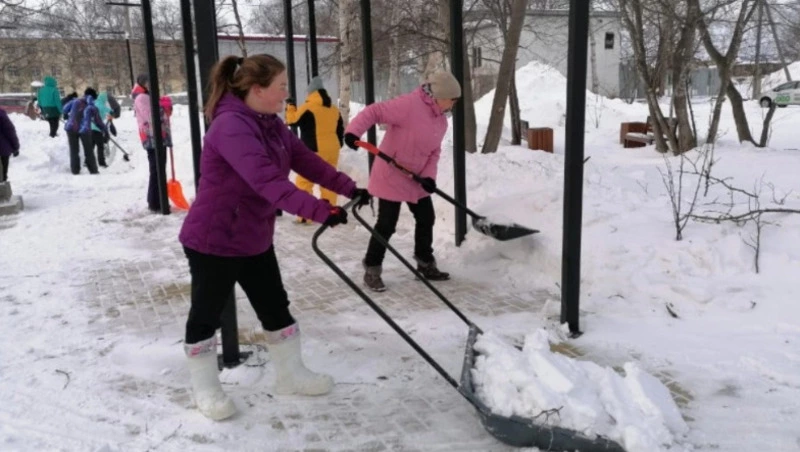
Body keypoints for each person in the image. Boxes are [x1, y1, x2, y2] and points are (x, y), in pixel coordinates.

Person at [177, 54, 370, 421]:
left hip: (252, 235)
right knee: (206, 313)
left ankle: (290, 376)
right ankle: (206, 390)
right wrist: (319, 210)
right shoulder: (230, 126)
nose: (287, 91)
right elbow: (266, 180)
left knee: (274, 304)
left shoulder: (269, 123)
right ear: (257, 89)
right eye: (281, 84)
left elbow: (305, 159)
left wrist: (347, 187)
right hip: (214, 238)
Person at [343, 71, 461, 292]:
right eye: (452, 99)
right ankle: (372, 268)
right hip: (391, 174)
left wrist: (428, 177)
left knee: (427, 218)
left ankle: (425, 263)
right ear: (440, 95)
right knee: (387, 224)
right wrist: (353, 132)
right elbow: (374, 111)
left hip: (416, 178)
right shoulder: (409, 105)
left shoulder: (441, 121)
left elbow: (434, 152)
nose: (454, 104)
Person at [285, 76, 345, 224]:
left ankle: (306, 216)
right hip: (333, 150)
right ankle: (330, 213)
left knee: (304, 181)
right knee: (330, 181)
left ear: (311, 92)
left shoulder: (308, 107)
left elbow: (292, 120)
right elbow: (340, 131)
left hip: (313, 149)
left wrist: (291, 106)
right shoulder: (334, 109)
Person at [132, 74, 173, 212]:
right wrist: (164, 108)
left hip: (156, 137)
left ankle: (156, 200)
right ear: (144, 83)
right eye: (149, 82)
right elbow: (152, 116)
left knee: (157, 169)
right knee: (157, 170)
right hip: (153, 138)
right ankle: (156, 202)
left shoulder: (146, 96)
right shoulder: (142, 97)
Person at [63, 88, 106, 175]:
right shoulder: (92, 107)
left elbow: (64, 109)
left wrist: (72, 114)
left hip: (71, 128)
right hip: (84, 129)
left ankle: (75, 171)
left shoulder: (75, 101)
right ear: (94, 97)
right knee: (89, 150)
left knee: (74, 150)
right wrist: (105, 130)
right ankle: (93, 171)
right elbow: (98, 121)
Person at [91, 91, 114, 168]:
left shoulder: (94, 102)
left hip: (90, 127)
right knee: (100, 146)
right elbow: (106, 109)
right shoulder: (100, 104)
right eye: (105, 99)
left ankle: (87, 161)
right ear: (103, 98)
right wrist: (112, 111)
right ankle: (101, 163)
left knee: (91, 146)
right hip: (97, 128)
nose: (106, 100)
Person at [0, 107, 21, 182]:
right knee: (2, 178)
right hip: (2, 151)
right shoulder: (1, 114)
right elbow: (10, 131)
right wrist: (15, 146)